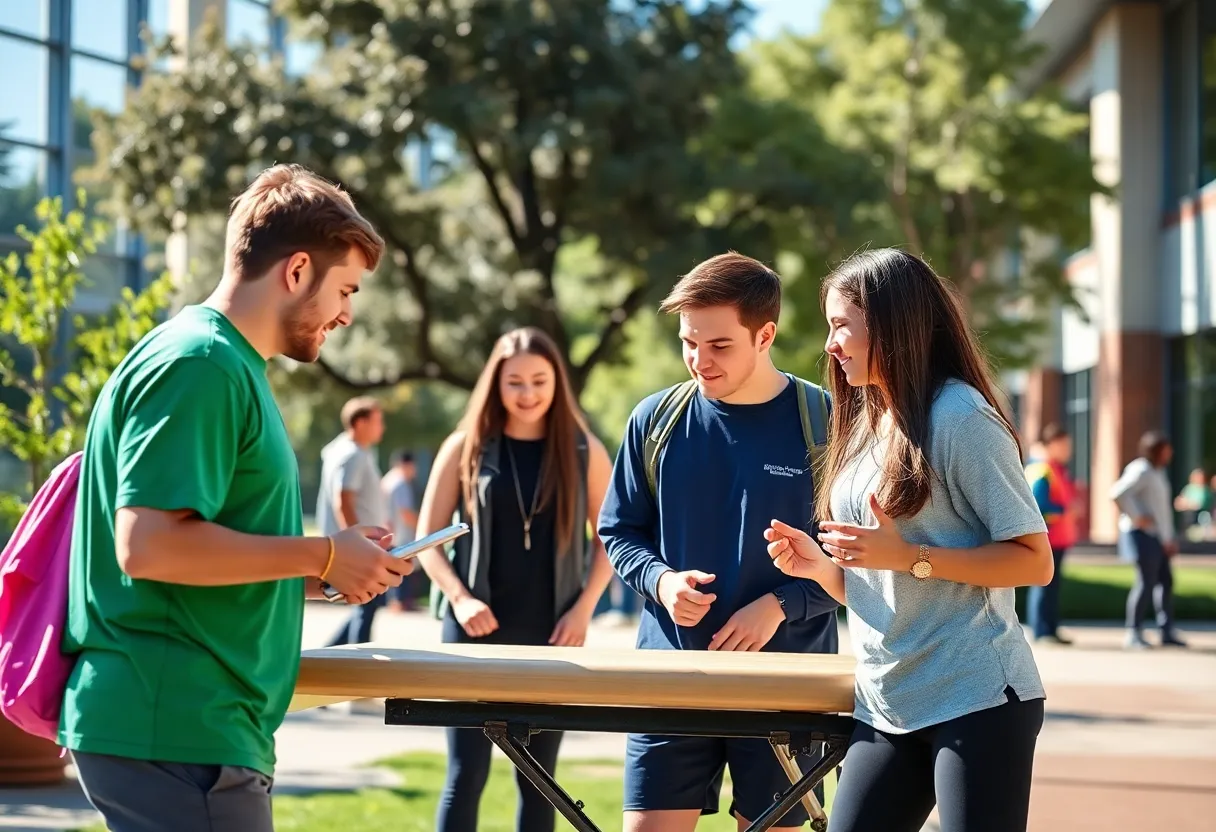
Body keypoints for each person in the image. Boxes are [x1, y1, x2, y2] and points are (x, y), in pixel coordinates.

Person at [60, 164, 412, 832]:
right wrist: (320, 553)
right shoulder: (201, 365)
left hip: (191, 728)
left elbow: (207, 553)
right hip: (179, 727)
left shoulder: (223, 363)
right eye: (345, 288)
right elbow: (148, 546)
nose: (347, 312)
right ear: (298, 269)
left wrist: (332, 566)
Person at [765, 248, 1054, 832]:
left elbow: (1035, 561)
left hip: (976, 696)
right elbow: (886, 585)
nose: (829, 345)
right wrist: (823, 571)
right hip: (886, 701)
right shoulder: (871, 419)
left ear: (892, 324)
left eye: (841, 325)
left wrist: (910, 558)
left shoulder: (960, 417)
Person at [597, 252, 840, 832]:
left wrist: (781, 606)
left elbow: (858, 556)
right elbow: (619, 529)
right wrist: (660, 580)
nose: (699, 361)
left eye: (719, 346)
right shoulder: (654, 420)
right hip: (672, 679)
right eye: (688, 342)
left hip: (789, 683)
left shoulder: (826, 422)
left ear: (766, 334)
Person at [412, 326, 616, 832]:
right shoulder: (465, 446)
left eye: (539, 381)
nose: (527, 394)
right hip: (472, 632)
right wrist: (458, 600)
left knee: (539, 779)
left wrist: (583, 609)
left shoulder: (584, 449)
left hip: (553, 634)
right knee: (466, 773)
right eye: (515, 382)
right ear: (495, 385)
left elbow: (610, 539)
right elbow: (425, 541)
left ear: (557, 383)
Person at [319, 396, 391, 645]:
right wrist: (359, 543)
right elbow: (344, 499)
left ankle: (328, 653)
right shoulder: (354, 455)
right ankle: (359, 657)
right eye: (378, 421)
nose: (382, 427)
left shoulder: (342, 450)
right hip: (363, 545)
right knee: (366, 601)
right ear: (360, 423)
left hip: (362, 541)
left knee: (366, 604)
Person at [1111, 431, 1188, 650]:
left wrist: (1168, 538)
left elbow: (1161, 511)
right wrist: (1137, 516)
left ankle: (1166, 630)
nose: (1170, 453)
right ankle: (1133, 632)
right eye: (1166, 449)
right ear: (1155, 450)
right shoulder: (1141, 469)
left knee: (1165, 581)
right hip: (1142, 536)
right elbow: (1117, 492)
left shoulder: (1157, 471)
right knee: (1145, 582)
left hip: (1157, 537)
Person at [1024, 423, 1078, 645]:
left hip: (1058, 538)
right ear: (1051, 444)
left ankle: (1051, 629)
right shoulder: (1043, 469)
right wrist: (1066, 510)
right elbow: (1039, 505)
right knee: (1044, 585)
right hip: (1048, 538)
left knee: (1052, 587)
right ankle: (1041, 631)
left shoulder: (1056, 469)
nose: (1068, 449)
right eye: (1064, 445)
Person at [382, 449, 422, 610]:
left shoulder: (387, 480)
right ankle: (400, 601)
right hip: (400, 534)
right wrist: (422, 524)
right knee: (401, 567)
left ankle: (395, 600)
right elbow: (405, 512)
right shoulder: (400, 484)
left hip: (388, 531)